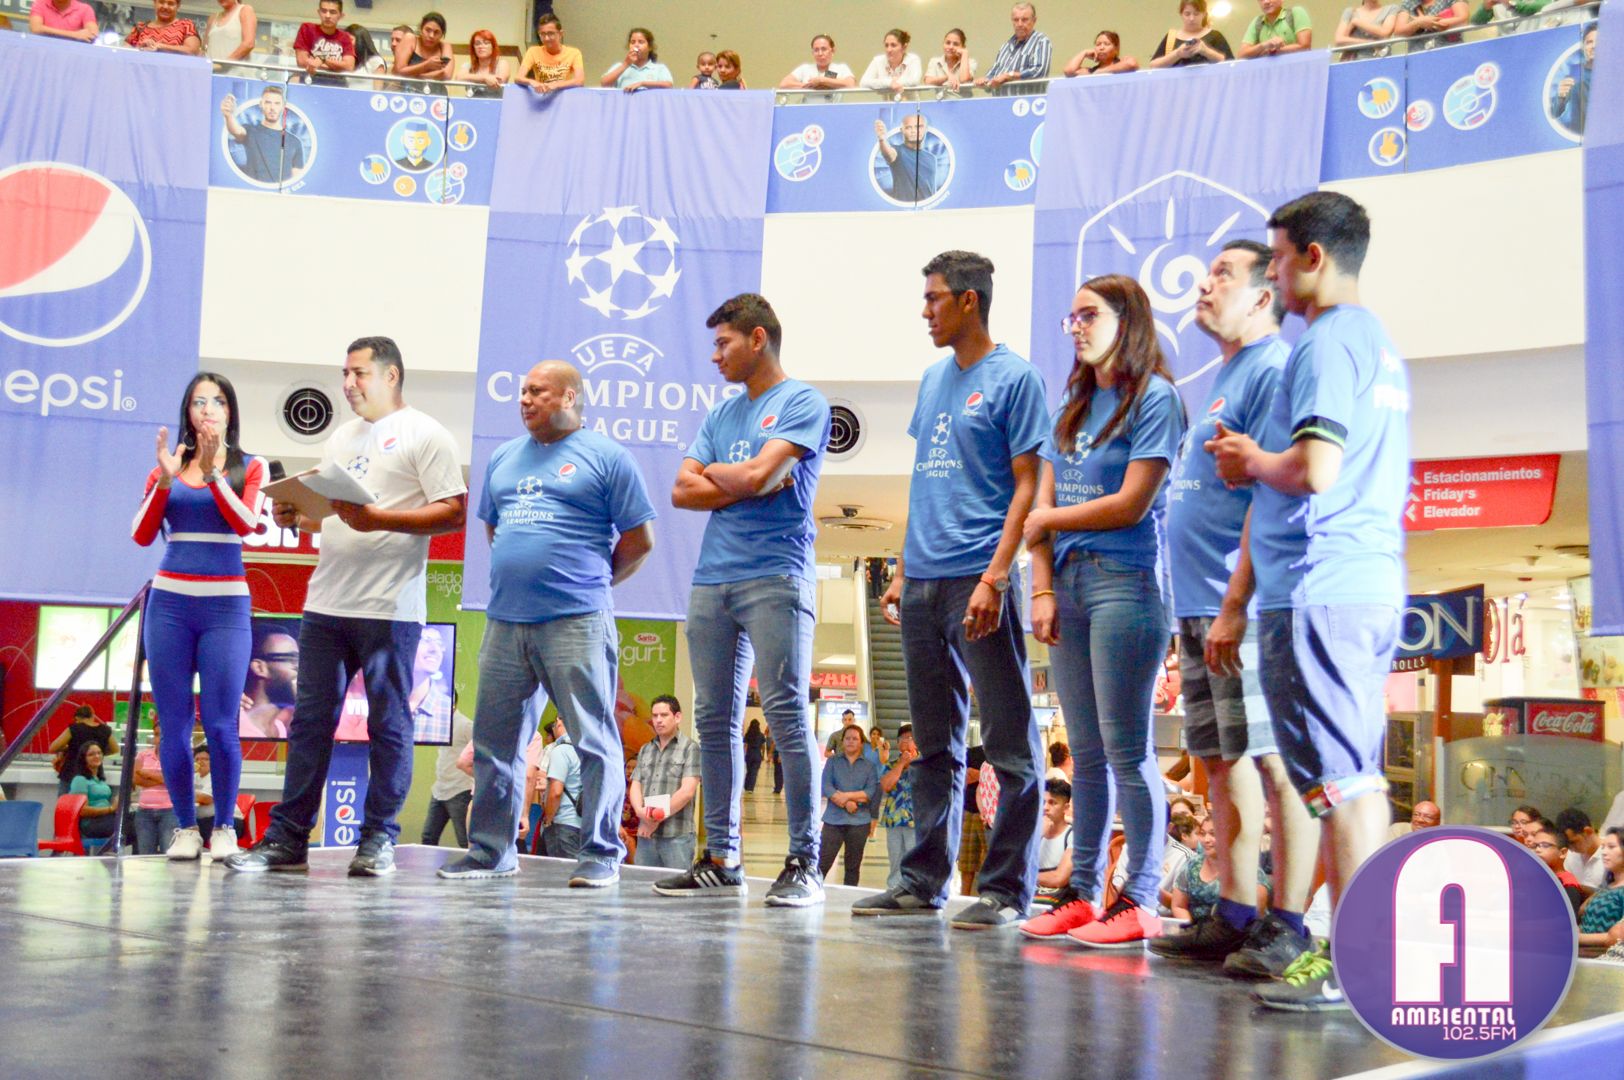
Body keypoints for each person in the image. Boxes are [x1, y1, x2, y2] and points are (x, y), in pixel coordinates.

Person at [1209, 191, 1411, 1010]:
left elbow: (1316, 469)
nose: (1275, 275)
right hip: (1355, 583)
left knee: (1343, 782)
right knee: (1351, 779)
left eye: (1283, 258)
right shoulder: (1375, 341)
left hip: (1324, 586)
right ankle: (1359, 959)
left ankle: (1356, 966)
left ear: (1315, 258)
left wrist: (1251, 460)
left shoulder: (1326, 343)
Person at [857, 251, 1048, 930]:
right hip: (923, 583)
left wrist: (997, 575)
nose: (925, 311)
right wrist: (903, 567)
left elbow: (1028, 484)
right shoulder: (935, 378)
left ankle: (1006, 889)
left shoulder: (1016, 378)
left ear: (969, 301)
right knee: (932, 745)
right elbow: (926, 481)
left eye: (934, 298)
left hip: (978, 578)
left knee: (1008, 743)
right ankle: (921, 880)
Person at [227, 337, 467, 876]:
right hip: (326, 604)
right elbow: (337, 518)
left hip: (390, 608)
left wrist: (379, 519)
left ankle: (378, 839)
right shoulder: (341, 436)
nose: (348, 383)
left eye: (359, 373)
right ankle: (288, 839)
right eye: (345, 373)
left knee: (389, 726)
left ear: (391, 376)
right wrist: (301, 517)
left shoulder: (426, 434)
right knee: (309, 723)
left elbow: (453, 512)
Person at [1147, 241, 1316, 972]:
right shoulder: (1226, 376)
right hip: (1198, 605)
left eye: (1223, 275)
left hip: (1244, 605)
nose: (1204, 284)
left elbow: (1272, 498)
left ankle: (1291, 923)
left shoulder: (1273, 370)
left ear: (1262, 297)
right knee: (1219, 762)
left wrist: (1237, 602)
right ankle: (1237, 909)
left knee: (1278, 766)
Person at [1018, 275, 1185, 949]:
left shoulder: (1157, 399)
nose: (1077, 328)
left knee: (1126, 749)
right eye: (1072, 318)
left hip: (1128, 583)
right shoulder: (1070, 404)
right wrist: (1041, 588)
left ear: (1128, 320)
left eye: (1089, 315)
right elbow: (1039, 513)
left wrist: (1048, 520)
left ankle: (1138, 898)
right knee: (1084, 753)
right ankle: (1082, 894)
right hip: (1068, 586)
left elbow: (1131, 503)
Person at [439, 361, 655, 885]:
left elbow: (639, 540)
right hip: (505, 622)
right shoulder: (503, 457)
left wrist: (587, 584)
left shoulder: (608, 457)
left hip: (577, 621)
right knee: (495, 745)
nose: (525, 399)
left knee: (594, 740)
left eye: (537, 391)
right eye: (522, 391)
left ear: (569, 397)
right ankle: (491, 852)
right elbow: (494, 528)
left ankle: (600, 854)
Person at [661, 294, 832, 905]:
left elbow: (759, 476)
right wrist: (749, 479)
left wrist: (728, 475)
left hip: (777, 576)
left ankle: (804, 862)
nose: (715, 356)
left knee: (785, 716)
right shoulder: (722, 413)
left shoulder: (803, 402)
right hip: (713, 580)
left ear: (757, 339)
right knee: (713, 720)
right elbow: (682, 491)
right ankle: (721, 858)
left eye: (723, 343)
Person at [132, 373, 264, 862]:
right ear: (188, 412)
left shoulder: (250, 466)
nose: (208, 409)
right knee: (173, 723)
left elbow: (247, 524)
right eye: (199, 401)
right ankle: (186, 828)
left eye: (218, 401)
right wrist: (167, 480)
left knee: (222, 724)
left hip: (225, 608)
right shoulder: (166, 467)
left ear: (230, 412)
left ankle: (224, 826)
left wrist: (212, 475)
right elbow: (141, 535)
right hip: (169, 605)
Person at [628, 695, 702, 870]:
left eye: (664, 715)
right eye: (655, 716)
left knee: (676, 884)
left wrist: (654, 818)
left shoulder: (690, 748)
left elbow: (687, 792)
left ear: (677, 717)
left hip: (676, 836)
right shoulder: (646, 749)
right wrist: (640, 812)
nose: (658, 720)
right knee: (643, 883)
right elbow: (636, 785)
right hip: (646, 835)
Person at [820, 725, 882, 888]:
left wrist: (846, 796)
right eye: (847, 738)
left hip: (859, 823)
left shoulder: (869, 766)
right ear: (842, 741)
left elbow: (869, 792)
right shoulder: (833, 762)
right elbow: (826, 786)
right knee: (823, 862)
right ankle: (813, 891)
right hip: (833, 821)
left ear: (861, 743)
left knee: (853, 867)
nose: (850, 741)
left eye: (855, 739)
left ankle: (849, 897)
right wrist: (846, 802)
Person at [221, 85, 305, 185]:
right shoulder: (250, 131)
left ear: (283, 106)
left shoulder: (295, 142)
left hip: (280, 194)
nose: (272, 108)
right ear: (261, 104)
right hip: (253, 192)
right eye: (268, 102)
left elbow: (297, 178)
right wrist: (228, 115)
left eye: (277, 103)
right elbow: (236, 130)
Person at [421, 701, 473, 847]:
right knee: (428, 837)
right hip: (439, 790)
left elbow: (478, 753)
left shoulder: (466, 725)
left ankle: (470, 862)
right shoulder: (440, 725)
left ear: (452, 704)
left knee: (464, 840)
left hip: (460, 790)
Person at [878, 724, 919, 891]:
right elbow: (886, 786)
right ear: (897, 743)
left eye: (910, 738)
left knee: (914, 858)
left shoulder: (924, 765)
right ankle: (894, 889)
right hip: (894, 819)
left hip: (916, 820)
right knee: (895, 858)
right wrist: (901, 764)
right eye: (902, 739)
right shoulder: (891, 765)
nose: (906, 742)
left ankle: (914, 890)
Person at [239, 624, 298, 739]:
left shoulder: (279, 728)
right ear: (259, 668)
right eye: (291, 658)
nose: (300, 666)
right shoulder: (236, 727)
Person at [131, 721, 179, 856]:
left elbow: (176, 781)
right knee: (145, 854)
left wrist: (148, 774)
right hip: (144, 812)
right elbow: (136, 779)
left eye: (163, 735)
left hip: (170, 811)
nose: (159, 739)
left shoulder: (177, 756)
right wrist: (164, 778)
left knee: (168, 853)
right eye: (157, 735)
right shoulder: (143, 755)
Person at [980, 3, 1052, 91]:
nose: (1019, 24)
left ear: (1034, 20)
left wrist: (1009, 76)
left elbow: (1039, 72)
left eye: (1024, 20)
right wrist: (985, 80)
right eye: (1016, 20)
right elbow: (994, 73)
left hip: (1028, 99)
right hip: (1000, 99)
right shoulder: (1005, 46)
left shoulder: (1041, 41)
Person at [49, 706, 118, 796]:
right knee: (93, 801)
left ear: (77, 718)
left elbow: (53, 748)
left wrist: (68, 748)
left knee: (66, 802)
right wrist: (97, 754)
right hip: (94, 773)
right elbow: (115, 749)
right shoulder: (105, 730)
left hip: (71, 772)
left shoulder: (74, 729)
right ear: (92, 716)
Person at [540, 721, 585, 860]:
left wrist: (548, 820)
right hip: (585, 824)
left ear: (560, 724)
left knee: (561, 871)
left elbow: (556, 792)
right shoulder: (587, 752)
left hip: (563, 824)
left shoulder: (561, 750)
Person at [874, 113, 939, 204]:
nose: (914, 131)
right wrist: (882, 139)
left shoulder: (932, 158)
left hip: (927, 210)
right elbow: (888, 154)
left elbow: (932, 189)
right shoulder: (898, 152)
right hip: (903, 210)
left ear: (926, 129)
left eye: (918, 127)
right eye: (908, 127)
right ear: (902, 130)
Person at [1149, 1, 1234, 68]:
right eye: (1187, 14)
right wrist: (1177, 54)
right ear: (1181, 14)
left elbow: (1231, 64)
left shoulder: (1215, 36)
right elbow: (1153, 66)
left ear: (1204, 14)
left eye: (1196, 14)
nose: (1191, 18)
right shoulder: (1171, 37)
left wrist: (1206, 51)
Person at [515, 13, 583, 94]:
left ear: (560, 34)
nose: (546, 38)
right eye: (542, 34)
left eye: (551, 34)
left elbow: (580, 80)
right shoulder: (533, 51)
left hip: (564, 97)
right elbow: (518, 78)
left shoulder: (574, 53)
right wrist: (532, 82)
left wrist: (556, 85)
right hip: (542, 96)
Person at [1578, 828, 1624, 947]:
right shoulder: (1606, 887)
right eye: (1603, 847)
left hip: (1604, 954)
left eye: (1611, 847)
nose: (1604, 852)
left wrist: (1575, 937)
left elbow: (1618, 937)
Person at [68, 744, 120, 847]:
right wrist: (110, 809)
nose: (96, 756)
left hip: (106, 818)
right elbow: (82, 810)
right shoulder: (80, 780)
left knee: (137, 821)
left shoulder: (100, 780)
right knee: (133, 826)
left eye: (99, 753)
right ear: (83, 759)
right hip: (91, 824)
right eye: (91, 754)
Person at [294, 0, 355, 85]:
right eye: (324, 11)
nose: (327, 16)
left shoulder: (345, 37)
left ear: (341, 16)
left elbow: (349, 66)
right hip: (309, 84)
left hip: (338, 86)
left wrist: (322, 60)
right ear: (319, 12)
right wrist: (337, 67)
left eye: (332, 12)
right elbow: (302, 62)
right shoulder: (307, 29)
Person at [779, 34, 857, 99]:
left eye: (824, 49)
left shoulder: (841, 68)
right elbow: (784, 84)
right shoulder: (805, 68)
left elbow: (850, 84)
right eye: (816, 50)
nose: (820, 53)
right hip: (809, 109)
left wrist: (822, 81)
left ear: (832, 51)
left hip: (834, 109)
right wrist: (810, 86)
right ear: (812, 52)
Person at [1551, 22, 1596, 134]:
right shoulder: (1574, 74)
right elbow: (1555, 114)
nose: (1594, 46)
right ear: (1584, 47)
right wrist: (1561, 97)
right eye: (1589, 42)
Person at [408, 627, 452, 742]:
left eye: (439, 643)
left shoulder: (448, 711)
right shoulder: (380, 705)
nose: (435, 649)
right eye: (425, 640)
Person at [600, 27, 672, 93]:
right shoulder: (619, 66)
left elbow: (668, 85)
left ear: (649, 47)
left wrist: (642, 83)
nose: (636, 45)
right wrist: (626, 64)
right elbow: (604, 84)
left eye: (641, 42)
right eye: (632, 42)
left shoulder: (659, 68)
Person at [1036, 779, 1074, 897]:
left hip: (1058, 899)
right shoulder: (1033, 833)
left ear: (1066, 808)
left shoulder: (1072, 835)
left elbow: (1059, 878)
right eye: (1043, 802)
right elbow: (1013, 867)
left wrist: (1025, 877)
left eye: (1052, 803)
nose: (1045, 807)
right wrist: (1037, 836)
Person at [1238, 1, 1313, 59]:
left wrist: (1269, 52)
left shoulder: (1296, 12)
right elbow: (1242, 55)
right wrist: (1264, 45)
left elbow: (1305, 47)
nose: (1266, 2)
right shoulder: (1257, 22)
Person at [1558, 807, 1608, 893]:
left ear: (1588, 831)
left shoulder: (1615, 854)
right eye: (1567, 845)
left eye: (1573, 842)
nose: (1571, 849)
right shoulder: (1570, 855)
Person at [394, 12, 453, 83]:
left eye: (436, 32)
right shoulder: (411, 39)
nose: (431, 35)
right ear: (421, 29)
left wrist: (414, 75)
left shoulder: (445, 46)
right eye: (428, 30)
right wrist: (426, 65)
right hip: (408, 88)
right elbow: (398, 71)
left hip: (436, 89)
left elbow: (446, 75)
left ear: (442, 34)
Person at [860, 29, 923, 94]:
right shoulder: (878, 61)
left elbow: (914, 81)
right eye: (886, 45)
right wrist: (889, 83)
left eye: (893, 45)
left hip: (911, 101)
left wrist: (892, 82)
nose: (889, 50)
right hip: (887, 100)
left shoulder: (913, 59)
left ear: (904, 47)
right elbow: (863, 82)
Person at [125, 0, 201, 54]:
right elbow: (124, 52)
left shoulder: (186, 25)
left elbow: (192, 51)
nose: (165, 7)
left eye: (171, 3)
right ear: (155, 3)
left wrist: (160, 47)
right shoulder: (140, 27)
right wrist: (141, 47)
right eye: (161, 2)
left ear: (178, 6)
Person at [1334, 2, 1402, 59]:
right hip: (1355, 62)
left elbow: (1385, 32)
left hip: (1381, 60)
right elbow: (1339, 40)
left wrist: (1356, 22)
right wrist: (1371, 43)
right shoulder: (1350, 12)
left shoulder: (1391, 9)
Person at [1063, 31, 1138, 77]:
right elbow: (1069, 71)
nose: (1101, 48)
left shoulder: (1123, 62)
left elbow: (1132, 64)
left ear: (1116, 48)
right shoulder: (1091, 72)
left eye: (1106, 44)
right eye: (1098, 44)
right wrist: (1084, 53)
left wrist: (1102, 71)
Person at [458, 29, 509, 96]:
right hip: (471, 102)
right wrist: (484, 78)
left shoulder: (502, 63)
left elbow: (500, 80)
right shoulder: (468, 65)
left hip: (495, 102)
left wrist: (471, 77)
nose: (481, 46)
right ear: (473, 48)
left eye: (486, 43)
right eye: (477, 44)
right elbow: (459, 78)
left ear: (493, 47)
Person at [1396, 0, 1471, 42]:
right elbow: (1399, 32)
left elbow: (1463, 20)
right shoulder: (1408, 3)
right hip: (1419, 57)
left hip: (1450, 52)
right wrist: (1417, 23)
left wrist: (1430, 23)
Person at [28, 0, 97, 43]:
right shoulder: (40, 4)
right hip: (43, 50)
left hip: (72, 53)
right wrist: (74, 35)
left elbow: (93, 33)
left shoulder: (85, 9)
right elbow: (36, 28)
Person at [743, 719, 766, 793]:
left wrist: (744, 754)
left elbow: (745, 745)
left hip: (749, 753)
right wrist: (763, 755)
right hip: (757, 753)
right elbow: (763, 746)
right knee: (754, 772)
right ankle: (751, 788)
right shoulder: (761, 735)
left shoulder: (748, 734)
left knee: (749, 771)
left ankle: (746, 786)